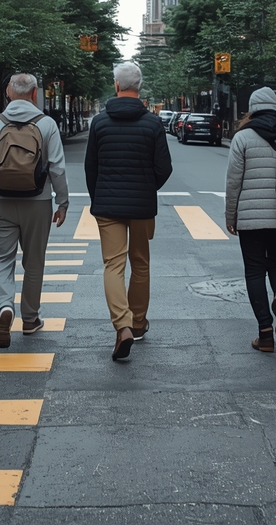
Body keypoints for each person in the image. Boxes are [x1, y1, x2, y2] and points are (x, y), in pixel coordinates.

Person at [84, 62, 173, 362]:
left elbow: (90, 168)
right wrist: (148, 187)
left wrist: (98, 198)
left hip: (108, 205)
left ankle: (121, 325)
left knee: (113, 265)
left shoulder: (99, 123)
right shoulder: (152, 123)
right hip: (142, 205)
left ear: (116, 86)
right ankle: (137, 322)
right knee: (141, 263)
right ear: (140, 87)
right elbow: (164, 168)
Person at [0, 73, 69, 350]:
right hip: (38, 202)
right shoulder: (47, 124)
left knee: (1, 259)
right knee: (34, 261)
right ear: (35, 94)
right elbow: (58, 168)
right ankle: (30, 318)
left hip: (0, 202)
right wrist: (62, 202)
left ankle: (5, 306)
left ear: (7, 92)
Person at [224, 86, 276, 353]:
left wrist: (230, 215)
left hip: (251, 218)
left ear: (252, 109)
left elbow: (234, 181)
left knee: (254, 271)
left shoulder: (243, 137)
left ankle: (265, 334)